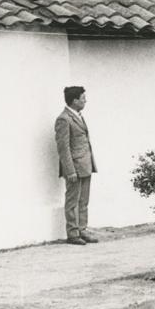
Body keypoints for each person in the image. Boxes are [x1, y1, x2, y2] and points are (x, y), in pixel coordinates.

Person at [55, 86, 98, 245]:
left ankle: (82, 230)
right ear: (74, 101)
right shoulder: (63, 119)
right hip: (74, 167)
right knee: (73, 200)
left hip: (85, 164)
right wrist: (70, 170)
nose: (85, 101)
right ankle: (73, 233)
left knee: (83, 200)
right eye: (83, 98)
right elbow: (63, 147)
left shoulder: (78, 116)